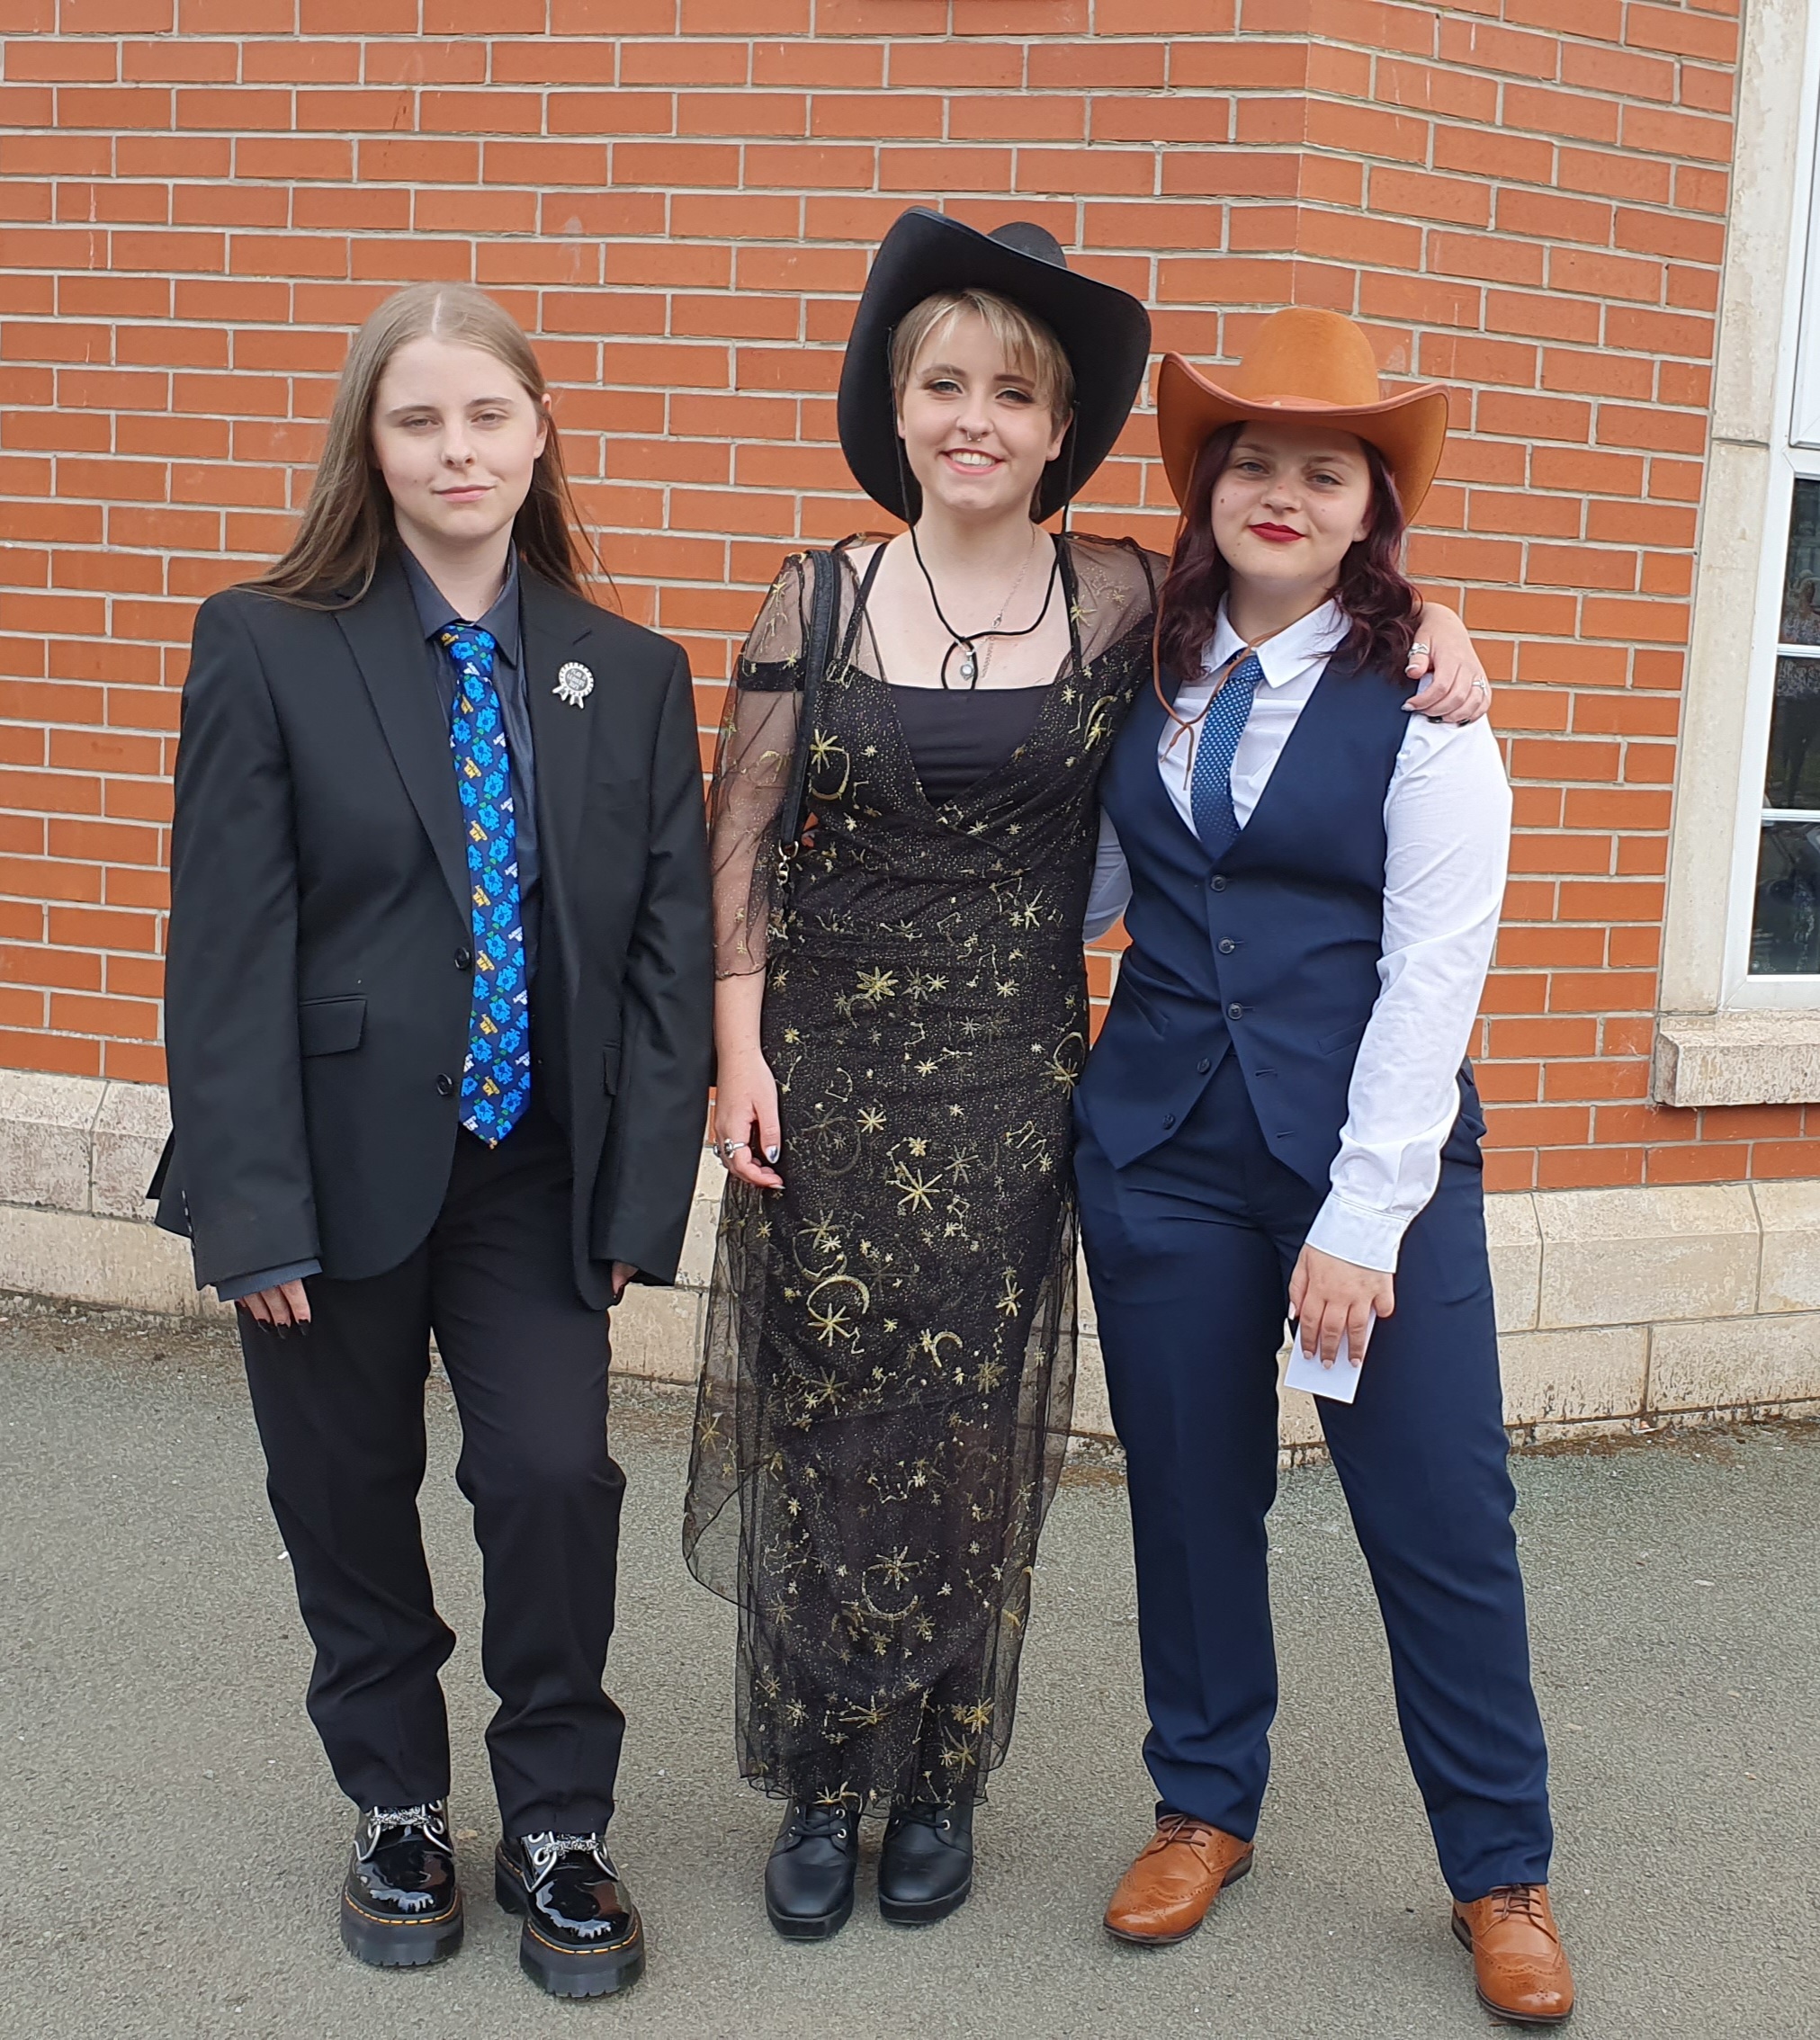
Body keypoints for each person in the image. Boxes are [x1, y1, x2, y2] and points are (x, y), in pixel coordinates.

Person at [683, 207, 1489, 1944]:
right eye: (944, 384)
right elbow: (751, 843)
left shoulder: (1158, 609)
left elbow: (1415, 931)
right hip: (927, 1088)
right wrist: (736, 1055)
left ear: (1062, 432)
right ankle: (884, 1780)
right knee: (903, 1439)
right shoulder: (942, 611)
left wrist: (1434, 619)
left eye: (1014, 394)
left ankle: (963, 1777)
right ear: (899, 405)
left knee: (1013, 1439)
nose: (976, 418)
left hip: (1088, 1098)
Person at [156, 282, 713, 2000]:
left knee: (554, 1478)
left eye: (489, 416)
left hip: (535, 1174)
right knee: (346, 1493)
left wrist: (637, 1195)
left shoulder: (623, 672)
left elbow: (661, 954)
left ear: (540, 437)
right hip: (324, 1174)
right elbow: (226, 947)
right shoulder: (268, 642)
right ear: (372, 446)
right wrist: (250, 1212)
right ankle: (396, 1800)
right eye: (421, 420)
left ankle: (556, 1818)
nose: (458, 449)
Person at [1075, 309, 1573, 2027]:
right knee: (1193, 1499)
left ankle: (1498, 1866)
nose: (1282, 492)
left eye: (1326, 470)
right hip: (1158, 1156)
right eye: (1253, 462)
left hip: (1372, 1170)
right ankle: (1204, 1804)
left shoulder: (1431, 706)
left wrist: (1362, 1223)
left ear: (1373, 508)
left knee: (1441, 1518)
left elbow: (1436, 978)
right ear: (1207, 487)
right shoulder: (1142, 654)